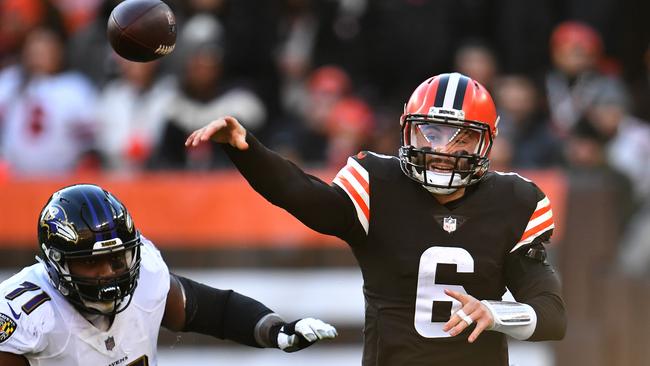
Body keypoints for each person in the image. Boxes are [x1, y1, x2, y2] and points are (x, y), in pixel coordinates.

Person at [186, 72, 567, 365]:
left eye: (461, 137)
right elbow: (302, 195)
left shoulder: (515, 200)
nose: (440, 150)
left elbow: (552, 315)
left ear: (487, 142)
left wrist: (495, 312)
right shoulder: (378, 183)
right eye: (429, 132)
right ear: (408, 130)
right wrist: (247, 151)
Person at [0, 184, 337, 365]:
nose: (108, 274)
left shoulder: (145, 274)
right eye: (90, 262)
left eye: (116, 259)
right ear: (57, 262)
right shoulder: (26, 316)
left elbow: (214, 311)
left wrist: (275, 330)